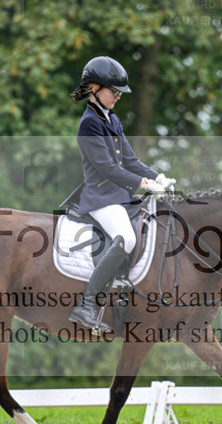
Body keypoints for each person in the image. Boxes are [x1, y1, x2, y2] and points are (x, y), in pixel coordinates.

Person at [67, 56, 176, 332]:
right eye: (114, 91)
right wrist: (143, 184)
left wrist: (157, 177)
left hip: (119, 195)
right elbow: (106, 168)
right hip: (100, 196)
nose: (118, 97)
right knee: (126, 238)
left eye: (119, 93)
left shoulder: (112, 119)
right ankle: (86, 305)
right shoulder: (89, 124)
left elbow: (130, 159)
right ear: (95, 88)